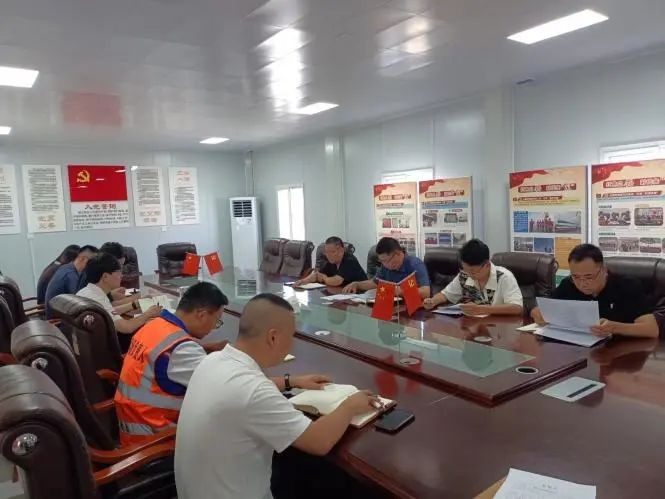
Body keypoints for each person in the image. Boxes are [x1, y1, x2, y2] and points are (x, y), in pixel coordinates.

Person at [175, 293, 378, 499]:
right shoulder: (254, 390)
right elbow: (319, 441)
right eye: (292, 336)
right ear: (273, 337)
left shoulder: (214, 360)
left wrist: (292, 381)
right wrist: (350, 405)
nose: (292, 344)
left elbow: (242, 394)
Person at [114, 282, 229, 445]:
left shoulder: (154, 325)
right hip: (155, 441)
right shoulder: (181, 350)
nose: (214, 328)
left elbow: (166, 356)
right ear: (202, 315)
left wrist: (205, 348)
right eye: (217, 321)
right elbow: (228, 387)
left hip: (133, 428)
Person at [531, 244, 659, 338]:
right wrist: (538, 314)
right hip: (577, 348)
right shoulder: (568, 284)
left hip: (619, 353)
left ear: (604, 270)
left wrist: (615, 327)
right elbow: (538, 310)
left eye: (589, 277)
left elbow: (651, 330)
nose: (582, 283)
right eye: (576, 277)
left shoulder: (627, 286)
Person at [423, 239, 523, 316]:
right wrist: (433, 301)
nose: (469, 275)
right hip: (472, 328)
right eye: (465, 270)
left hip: (500, 329)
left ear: (487, 265)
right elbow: (446, 294)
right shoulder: (464, 275)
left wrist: (481, 309)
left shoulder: (504, 277)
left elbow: (517, 308)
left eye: (473, 272)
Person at [77, 253, 161, 337]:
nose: (122, 275)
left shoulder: (87, 291)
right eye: (119, 272)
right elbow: (126, 327)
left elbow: (110, 311)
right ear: (105, 276)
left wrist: (135, 304)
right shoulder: (97, 298)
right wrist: (148, 314)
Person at [342, 237, 430, 299]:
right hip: (394, 307)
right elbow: (375, 283)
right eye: (381, 261)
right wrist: (357, 284)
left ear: (398, 253)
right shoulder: (385, 266)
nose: (385, 264)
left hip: (416, 309)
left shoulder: (415, 264)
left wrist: (401, 291)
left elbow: (426, 292)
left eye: (387, 261)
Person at [44, 245, 98, 317]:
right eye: (93, 262)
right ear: (83, 259)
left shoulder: (67, 267)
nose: (94, 265)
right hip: (57, 318)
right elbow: (78, 299)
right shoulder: (70, 274)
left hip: (60, 310)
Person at [294, 237, 367, 287]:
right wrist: (303, 281)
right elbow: (317, 275)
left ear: (341, 251)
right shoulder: (331, 261)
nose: (329, 255)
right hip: (342, 293)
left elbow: (337, 281)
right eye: (327, 252)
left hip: (359, 295)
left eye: (332, 252)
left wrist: (324, 278)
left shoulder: (349, 260)